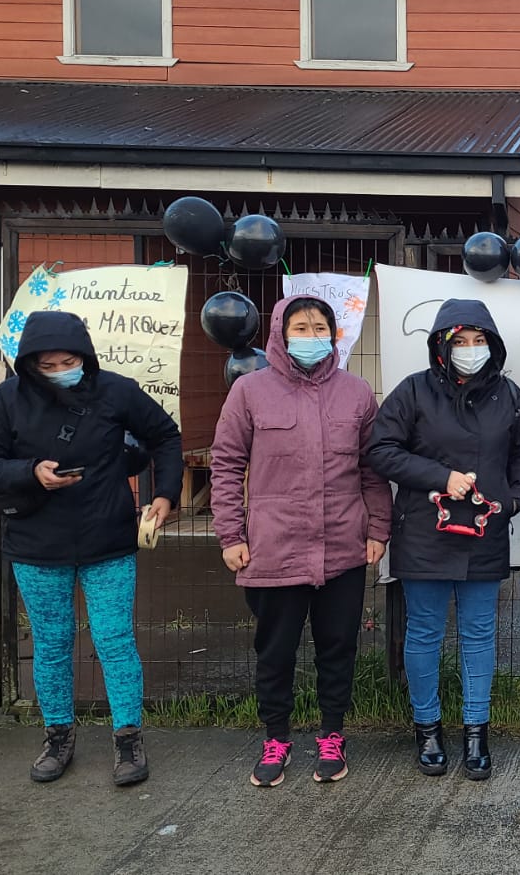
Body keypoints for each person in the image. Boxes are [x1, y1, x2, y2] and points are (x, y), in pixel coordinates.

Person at [0, 310, 182, 786]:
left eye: (71, 360)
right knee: (52, 643)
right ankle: (58, 736)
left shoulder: (116, 390)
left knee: (115, 641)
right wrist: (30, 473)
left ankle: (128, 739)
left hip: (108, 540)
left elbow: (165, 435)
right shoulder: (6, 400)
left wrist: (164, 495)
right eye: (50, 364)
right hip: (37, 544)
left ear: (86, 356)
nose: (64, 369)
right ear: (29, 364)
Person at [210, 296, 392, 787]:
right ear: (279, 331)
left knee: (338, 647)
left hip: (343, 547)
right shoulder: (249, 391)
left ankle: (332, 735)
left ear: (333, 336)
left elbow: (373, 468)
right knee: (275, 650)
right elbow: (226, 465)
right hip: (274, 547)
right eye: (300, 326)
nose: (310, 336)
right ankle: (276, 738)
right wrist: (231, 534)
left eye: (319, 327)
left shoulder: (356, 393)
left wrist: (378, 528)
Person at [368, 300, 520, 781]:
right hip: (424, 533)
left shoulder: (510, 396)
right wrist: (439, 476)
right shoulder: (413, 392)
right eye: (459, 341)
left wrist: (513, 500)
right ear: (440, 346)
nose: (469, 350)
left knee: (480, 633)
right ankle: (427, 728)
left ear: (493, 344)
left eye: (478, 340)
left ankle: (476, 731)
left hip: (485, 535)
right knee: (423, 633)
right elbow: (381, 449)